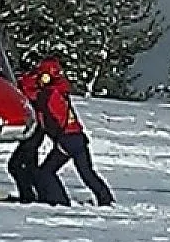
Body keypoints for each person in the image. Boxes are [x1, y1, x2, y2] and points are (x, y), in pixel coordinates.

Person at [33, 57, 115, 207]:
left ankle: (58, 200)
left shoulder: (48, 94)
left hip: (66, 139)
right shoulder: (61, 91)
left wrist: (53, 132)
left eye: (42, 76)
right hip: (77, 136)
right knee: (87, 173)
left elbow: (53, 118)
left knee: (46, 172)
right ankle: (105, 199)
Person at [6, 68, 45, 203]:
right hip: (36, 129)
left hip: (35, 129)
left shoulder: (28, 84)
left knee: (16, 164)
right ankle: (35, 193)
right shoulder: (30, 83)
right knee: (29, 164)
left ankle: (29, 195)